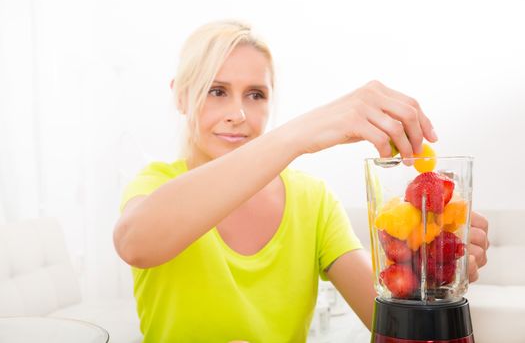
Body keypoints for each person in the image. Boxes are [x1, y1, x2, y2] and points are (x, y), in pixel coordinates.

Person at [113, 20, 489, 342]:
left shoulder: (312, 200)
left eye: (256, 95)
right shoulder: (156, 184)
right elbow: (135, 243)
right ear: (180, 95)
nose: (238, 114)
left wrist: (429, 270)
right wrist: (297, 136)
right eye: (217, 91)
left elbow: (390, 320)